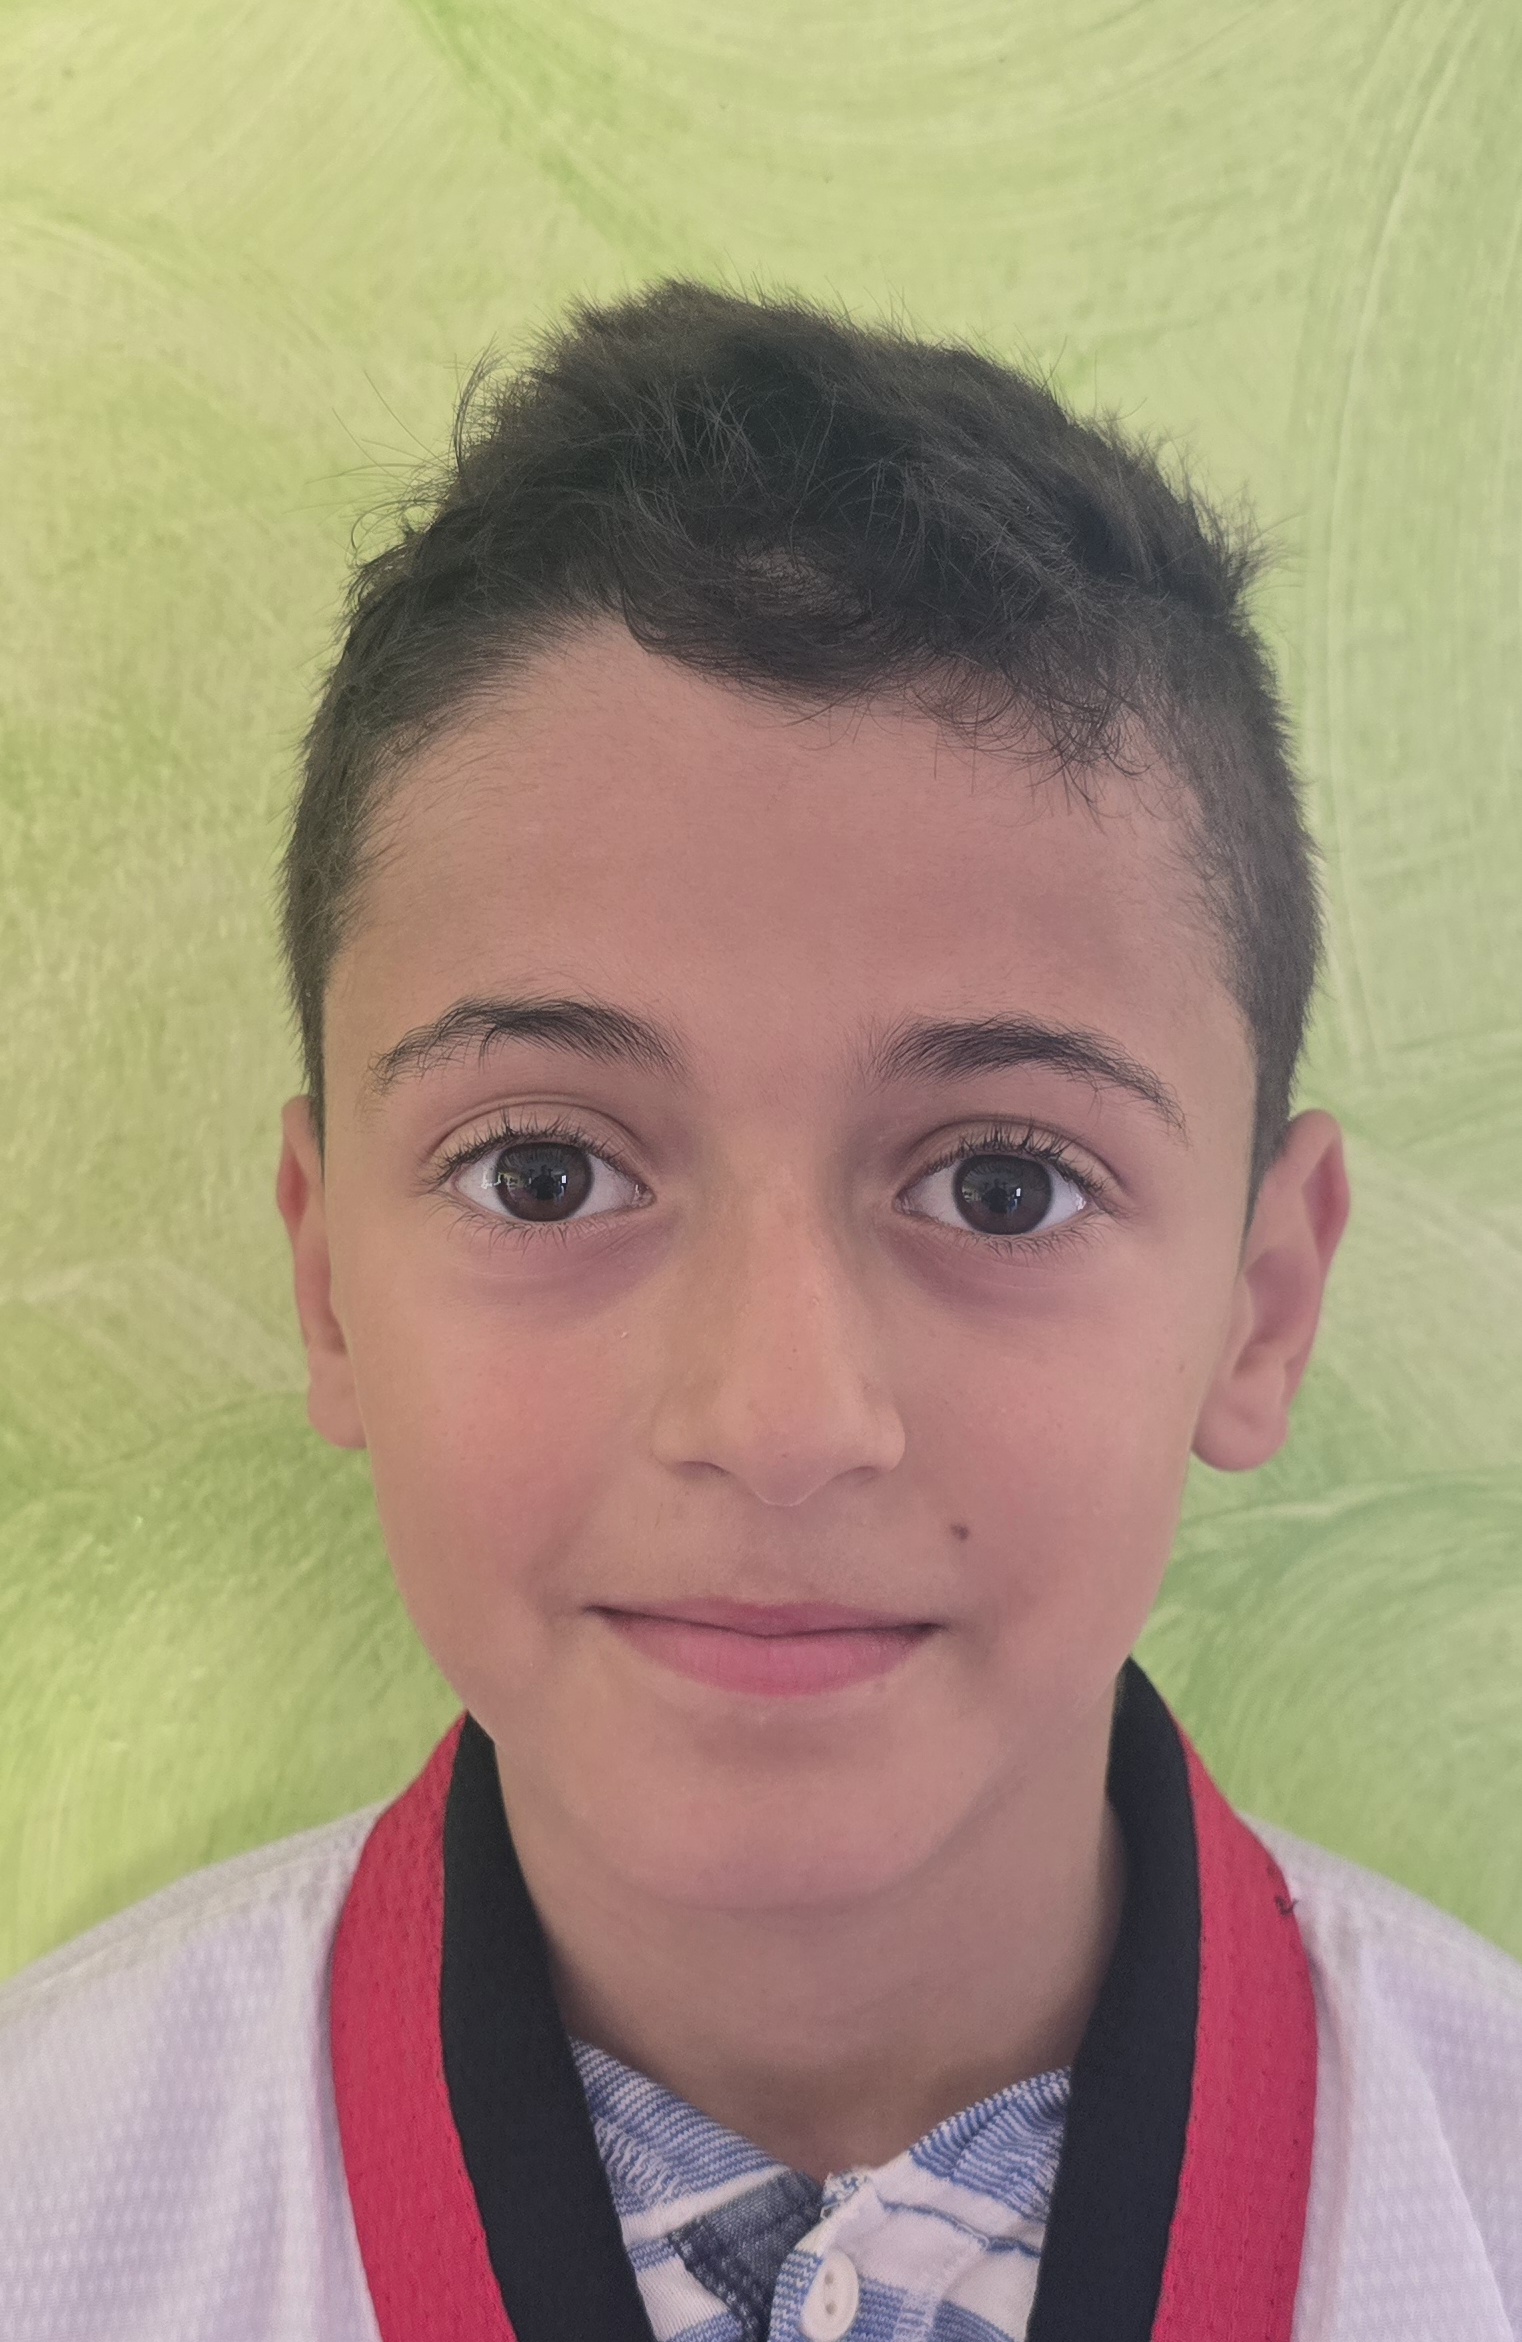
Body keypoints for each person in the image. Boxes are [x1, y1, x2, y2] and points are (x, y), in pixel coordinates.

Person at [1, 280, 1518, 2342]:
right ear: (328, 1276)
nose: (779, 1415)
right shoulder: (50, 2202)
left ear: (1259, 1305)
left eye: (1002, 1183)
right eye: (544, 1171)